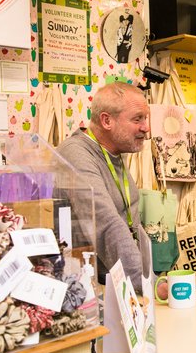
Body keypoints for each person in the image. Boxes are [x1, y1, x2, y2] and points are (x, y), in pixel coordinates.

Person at [57, 83, 152, 293]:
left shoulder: (114, 152)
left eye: (145, 119)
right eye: (137, 119)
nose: (146, 127)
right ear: (106, 120)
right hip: (87, 288)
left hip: (120, 283)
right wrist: (147, 283)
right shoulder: (76, 154)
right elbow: (106, 221)